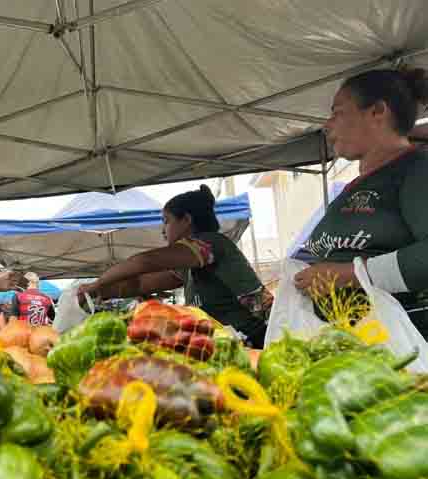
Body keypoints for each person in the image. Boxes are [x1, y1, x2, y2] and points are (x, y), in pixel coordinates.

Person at [293, 67, 428, 334]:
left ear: (378, 111)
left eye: (337, 112)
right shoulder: (355, 187)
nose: (327, 124)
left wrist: (350, 274)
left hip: (402, 353)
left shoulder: (416, 170)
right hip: (348, 346)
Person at [79, 185, 272, 347]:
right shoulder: (187, 264)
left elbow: (145, 262)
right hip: (225, 342)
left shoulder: (210, 243)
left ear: (186, 220)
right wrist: (102, 293)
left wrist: (97, 283)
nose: (163, 230)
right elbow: (140, 284)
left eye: (166, 221)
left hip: (254, 339)